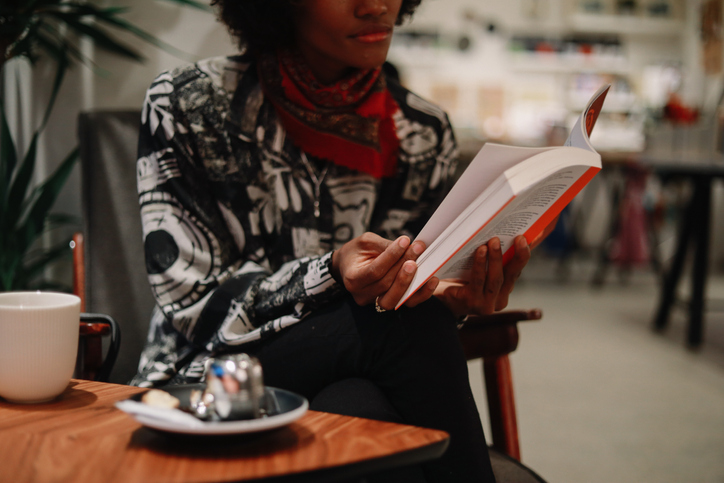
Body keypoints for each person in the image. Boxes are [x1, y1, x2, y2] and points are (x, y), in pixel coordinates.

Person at [132, 0, 550, 481]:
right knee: (403, 336)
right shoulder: (189, 104)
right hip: (212, 374)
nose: (376, 5)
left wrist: (453, 297)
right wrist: (329, 273)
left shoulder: (421, 131)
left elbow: (409, 299)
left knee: (355, 406)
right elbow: (195, 303)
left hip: (363, 369)